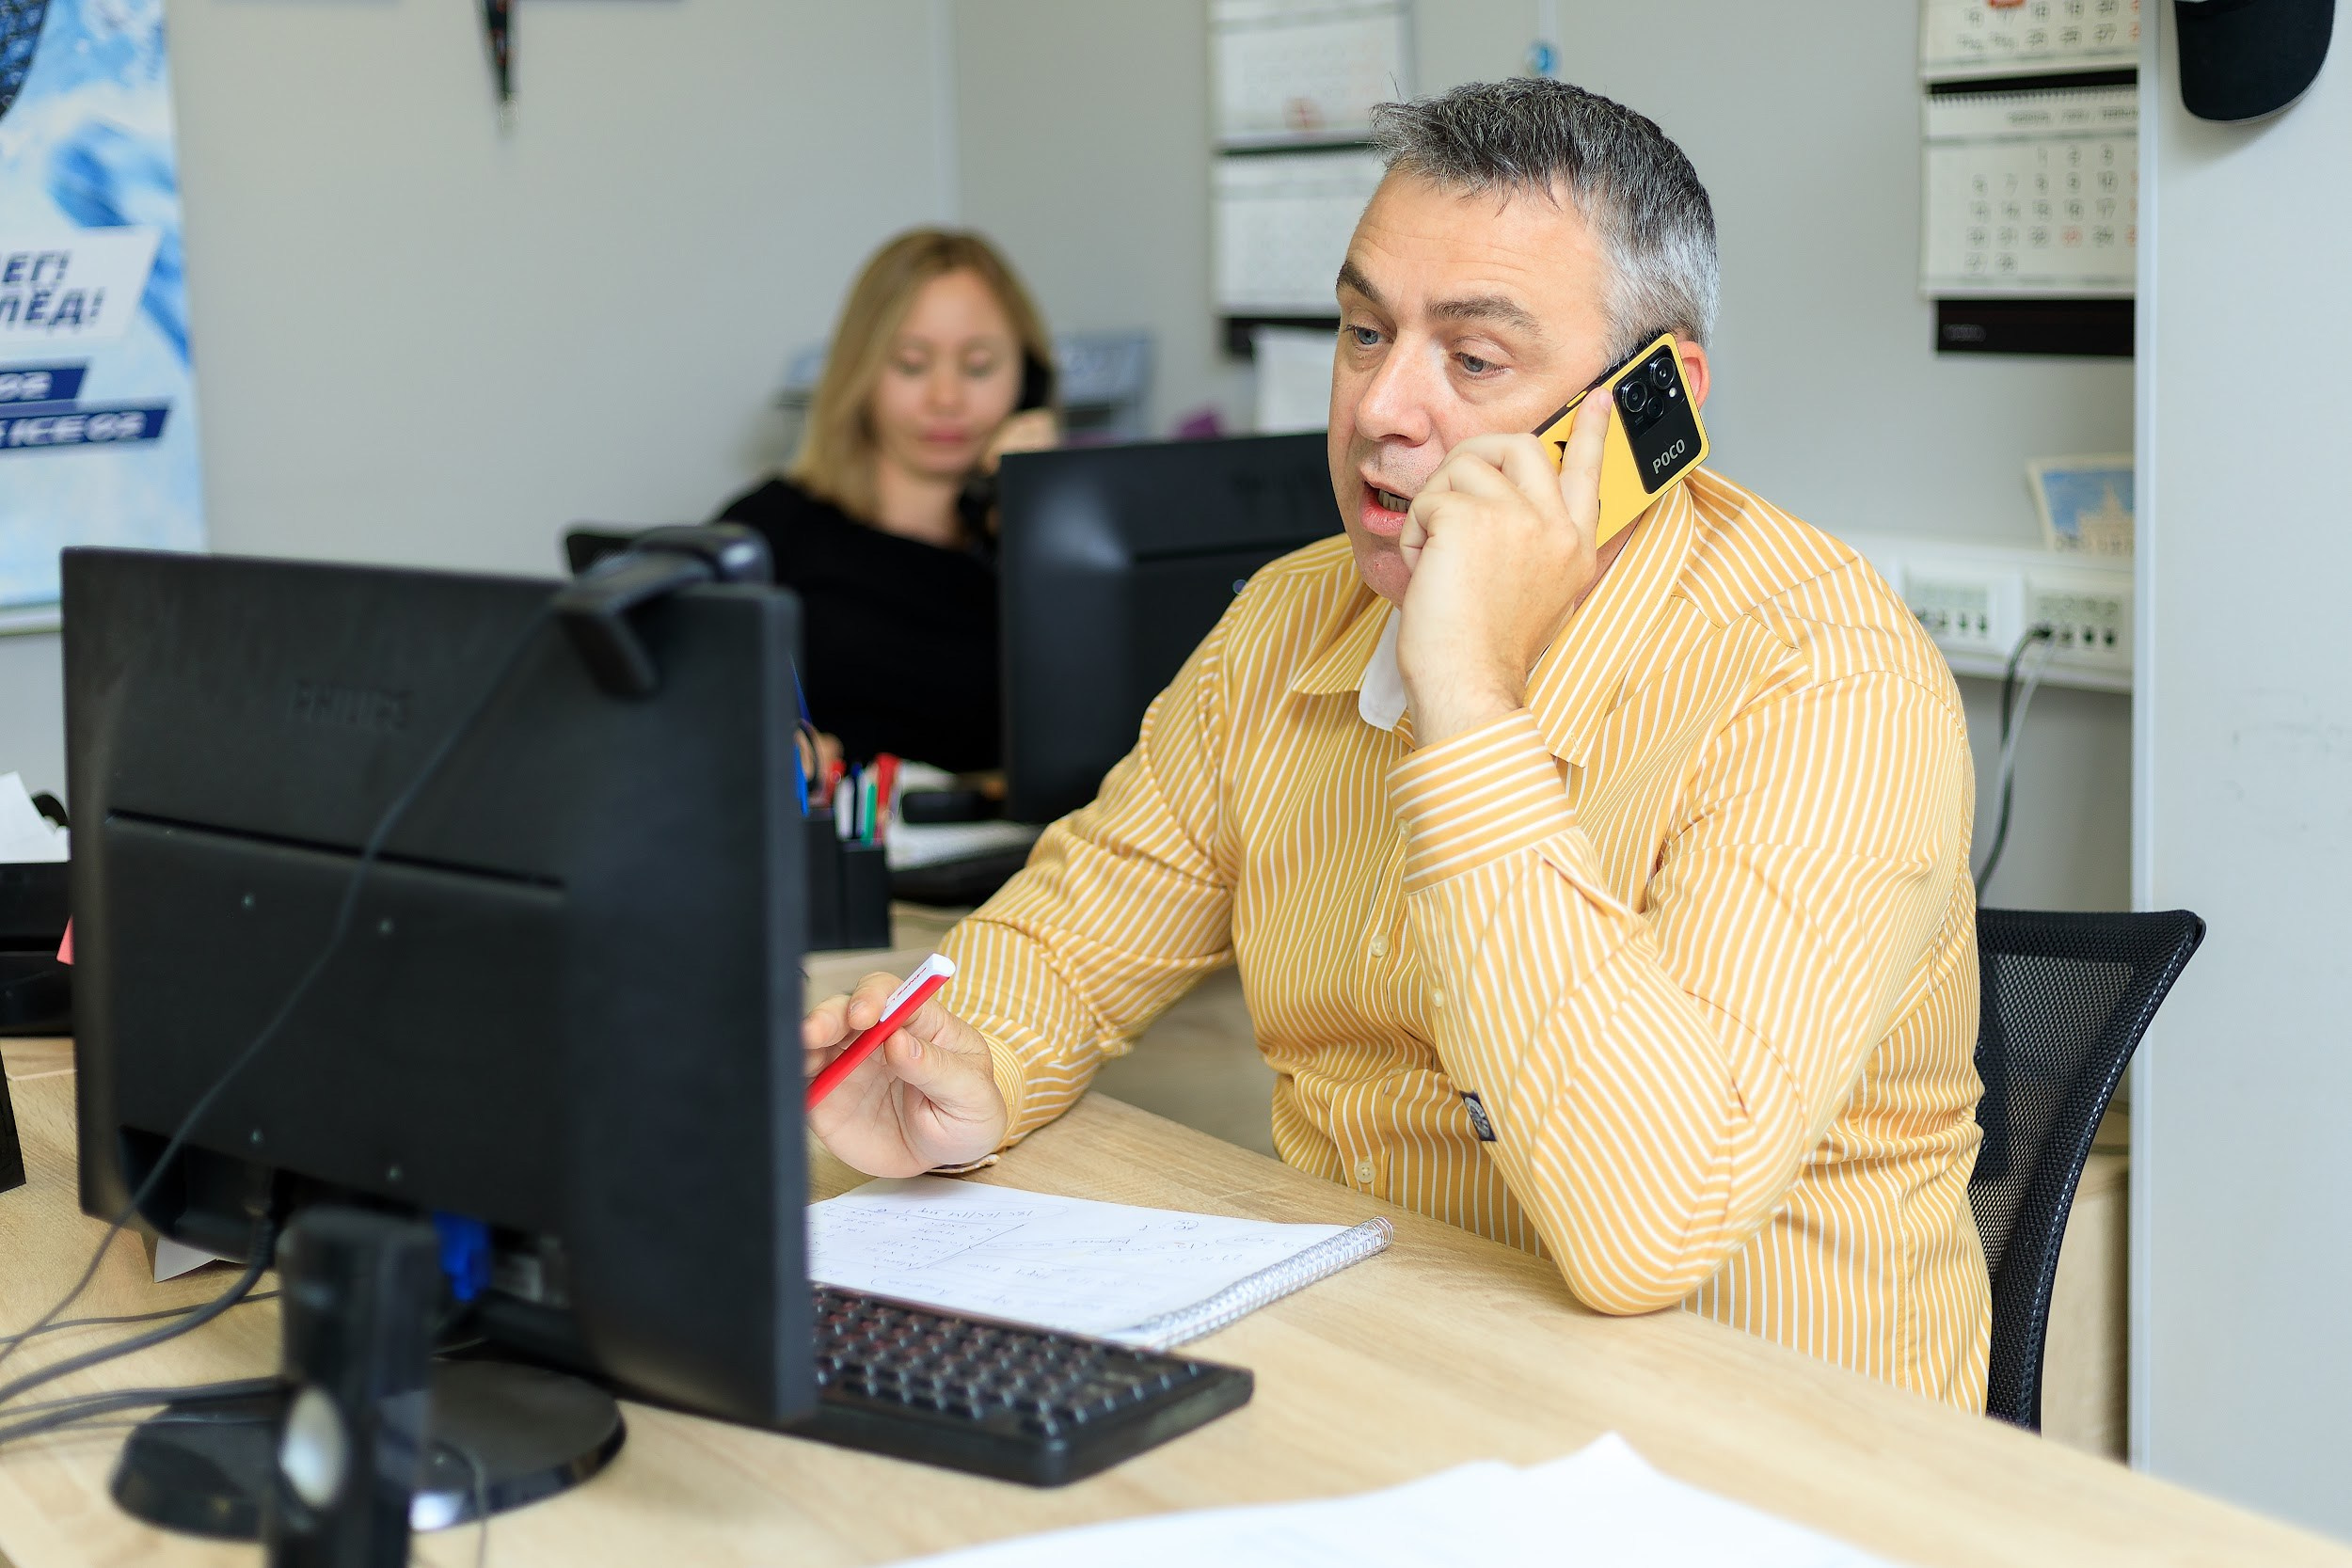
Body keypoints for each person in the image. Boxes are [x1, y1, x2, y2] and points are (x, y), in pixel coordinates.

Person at [803, 81, 1990, 1409]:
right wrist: (965, 1065)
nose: (1381, 409)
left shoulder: (1823, 673)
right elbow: (1062, 948)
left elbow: (1648, 1223)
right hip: (1388, 1386)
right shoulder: (1285, 624)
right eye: (1364, 331)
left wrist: (1466, 689)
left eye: (1472, 360)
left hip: (1760, 1454)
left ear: (1651, 404)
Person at [717, 230, 1059, 771]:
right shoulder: (767, 532)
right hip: (841, 844)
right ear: (862, 374)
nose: (945, 399)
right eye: (911, 364)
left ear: (1028, 382)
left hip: (1021, 853)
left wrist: (1038, 508)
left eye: (978, 367)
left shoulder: (1047, 554)